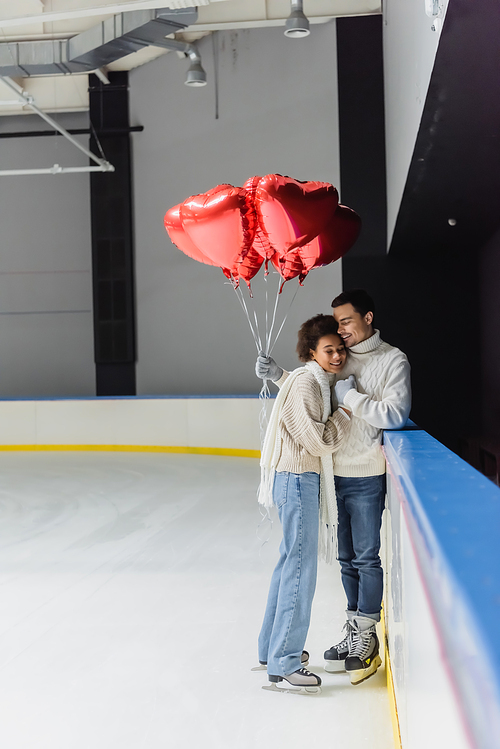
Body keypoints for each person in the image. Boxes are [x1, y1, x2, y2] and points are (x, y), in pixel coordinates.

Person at [256, 289, 411, 686]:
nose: (341, 338)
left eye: (346, 322)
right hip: (326, 477)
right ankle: (314, 642)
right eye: (336, 330)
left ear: (368, 317)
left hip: (363, 474)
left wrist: (351, 399)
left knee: (363, 558)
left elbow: (393, 414)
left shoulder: (392, 359)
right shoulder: (334, 361)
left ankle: (363, 635)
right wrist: (280, 377)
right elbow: (312, 390)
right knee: (332, 562)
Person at [256, 314, 350, 695]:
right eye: (329, 350)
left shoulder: (309, 380)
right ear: (312, 352)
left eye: (341, 348)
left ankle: (271, 651)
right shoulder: (309, 383)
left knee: (289, 564)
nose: (338, 355)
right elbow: (318, 441)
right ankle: (285, 662)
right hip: (297, 479)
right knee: (300, 569)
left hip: (294, 478)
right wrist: (344, 413)